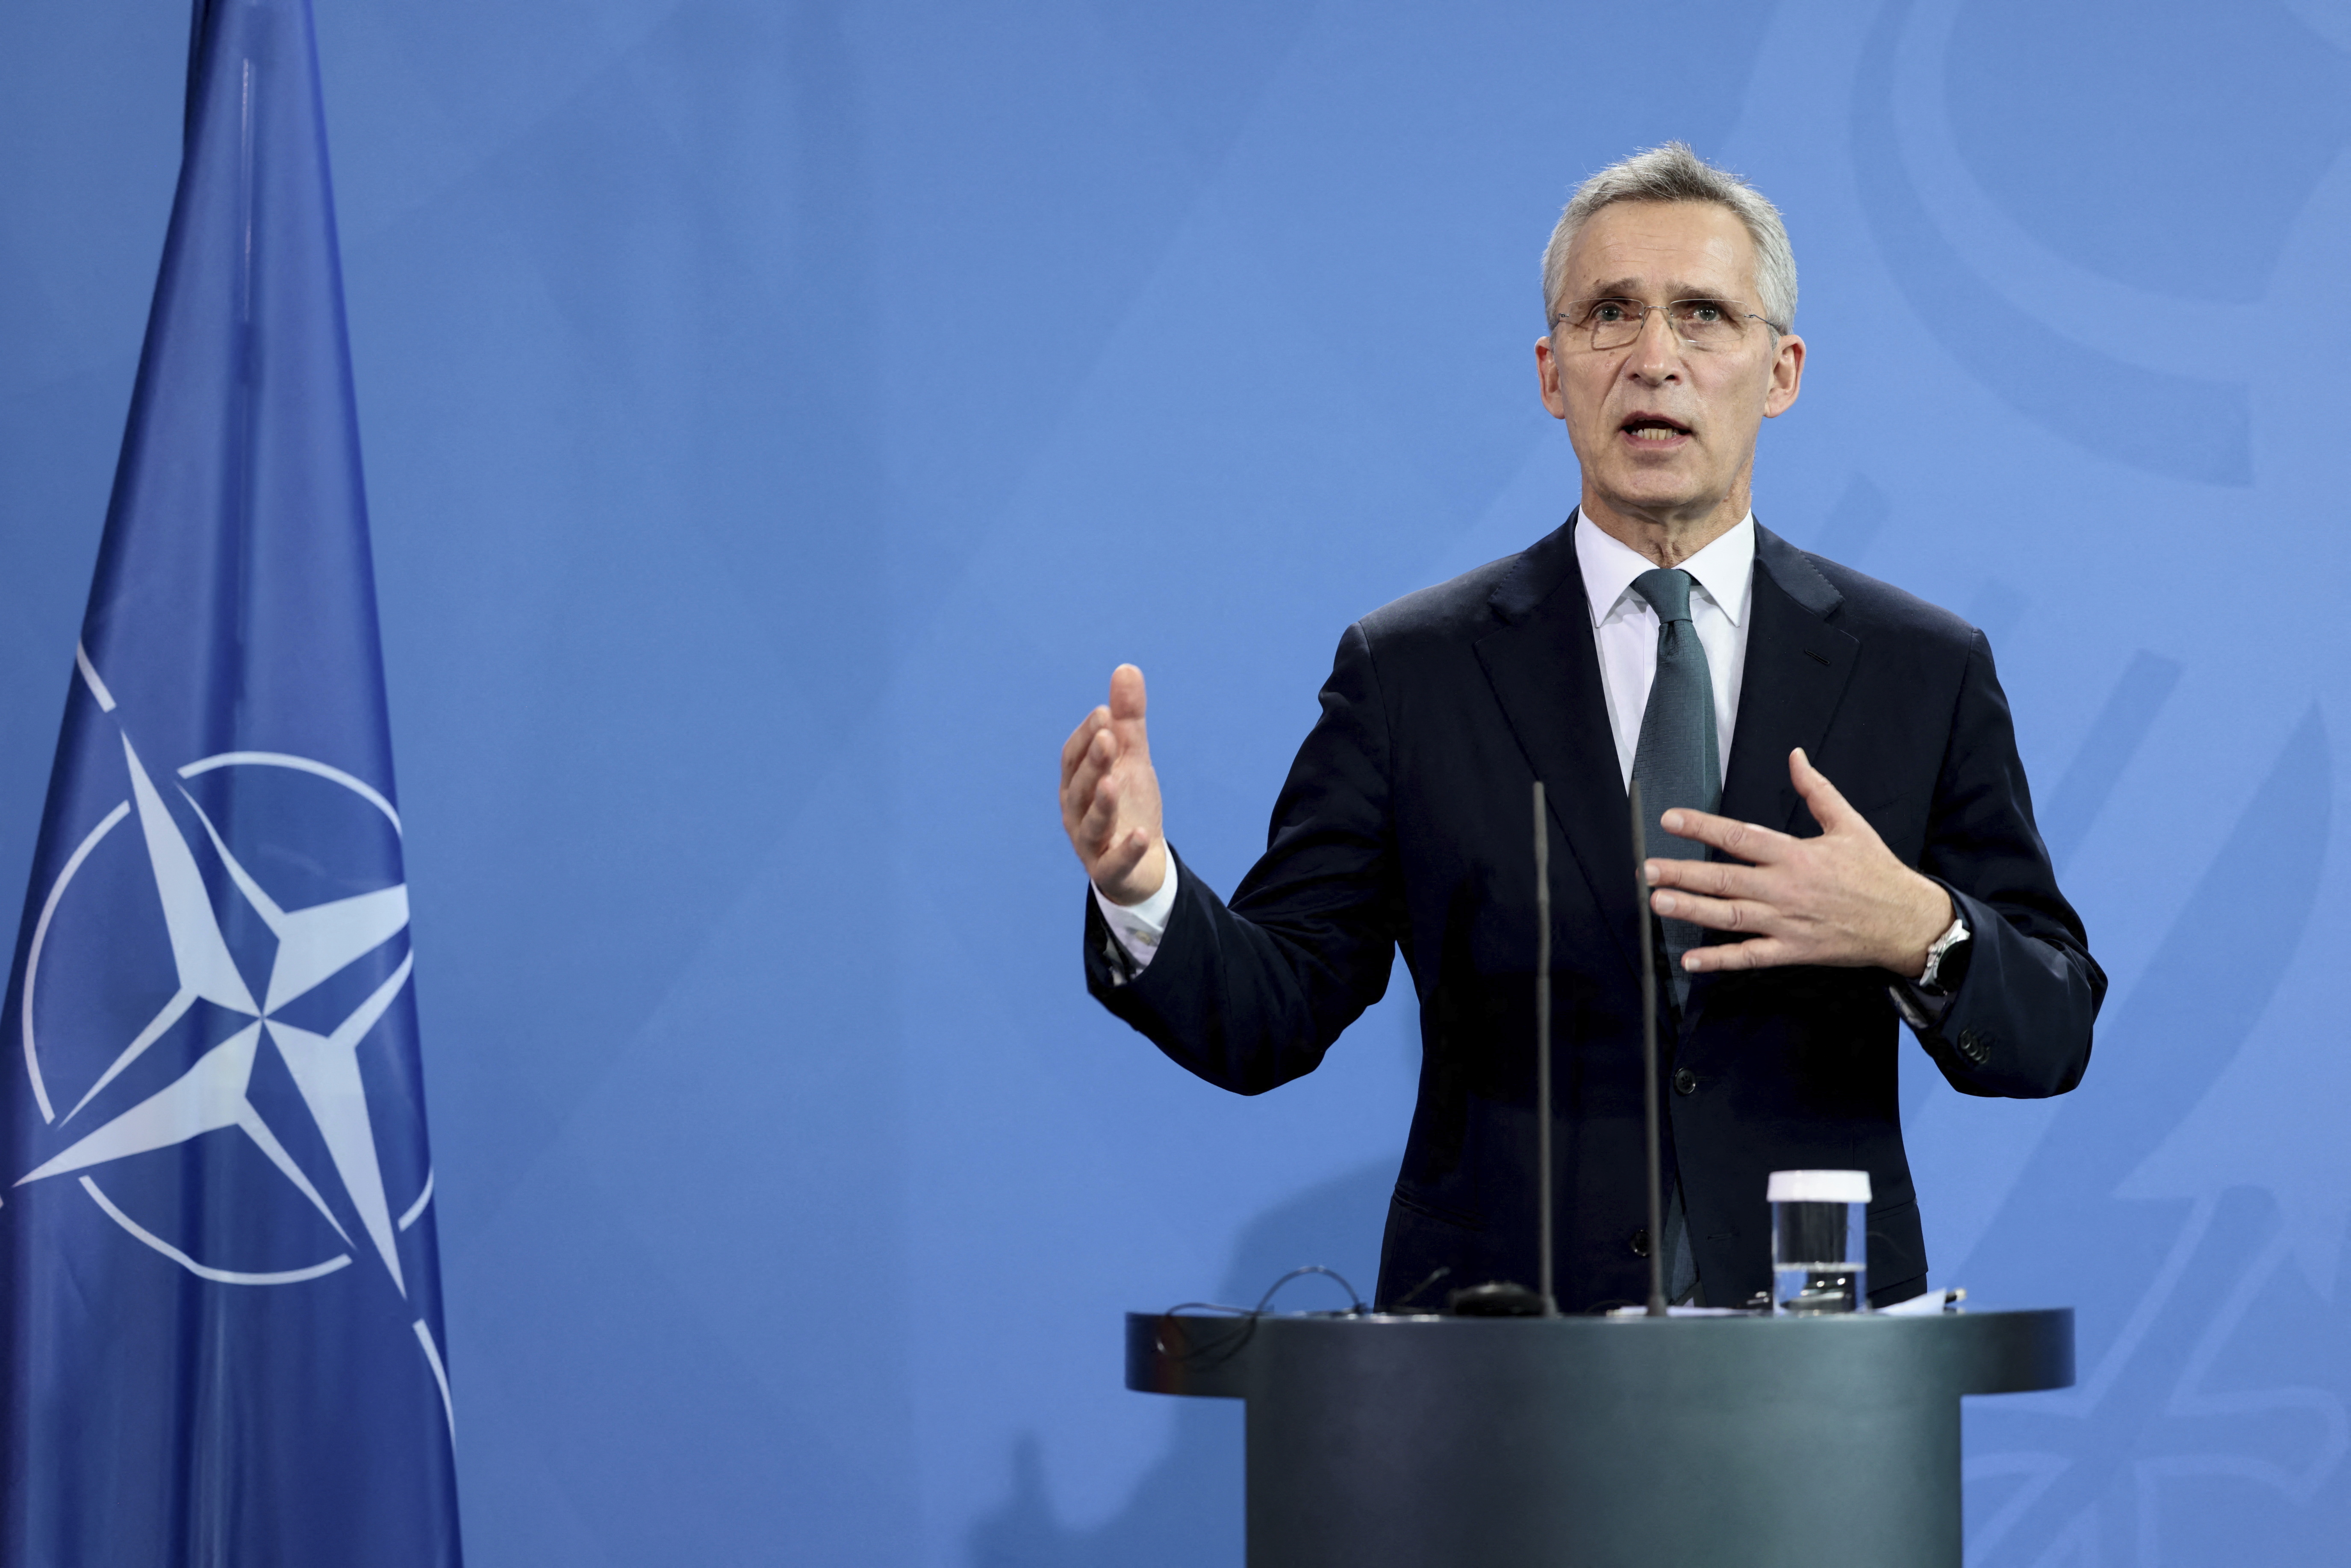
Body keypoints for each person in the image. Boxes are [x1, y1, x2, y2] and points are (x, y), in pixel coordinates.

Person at [1057, 143, 2104, 1313]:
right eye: (1610, 315)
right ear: (1553, 374)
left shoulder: (1920, 668)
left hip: (1820, 1389)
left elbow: (2050, 1029)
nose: (1653, 358)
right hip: (1499, 1374)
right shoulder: (1411, 672)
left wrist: (1914, 924)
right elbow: (1269, 1014)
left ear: (1781, 370)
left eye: (1702, 315)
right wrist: (1141, 885)